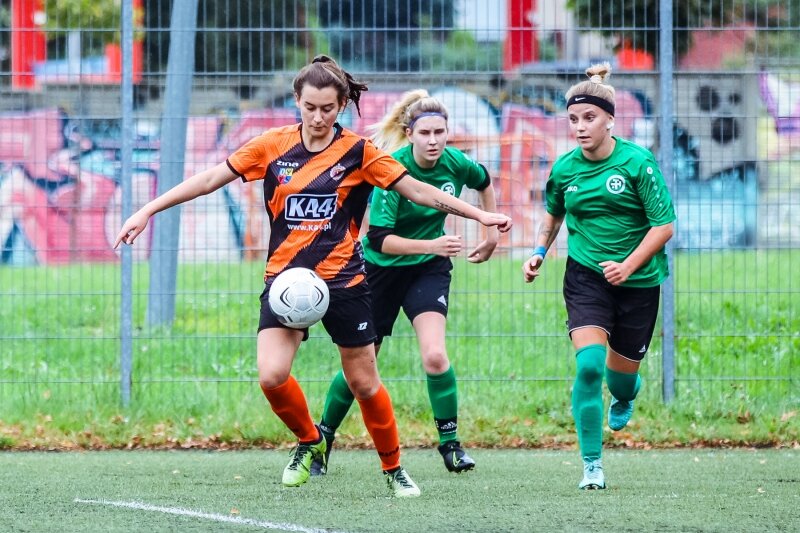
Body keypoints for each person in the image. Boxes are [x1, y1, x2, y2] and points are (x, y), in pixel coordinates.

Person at [115, 55, 512, 498]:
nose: (318, 117)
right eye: (310, 107)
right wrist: (147, 210)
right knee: (271, 376)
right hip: (287, 283)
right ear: (296, 101)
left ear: (341, 105)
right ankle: (310, 440)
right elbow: (210, 179)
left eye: (327, 108)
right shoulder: (271, 145)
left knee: (364, 383)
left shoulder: (359, 152)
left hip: (344, 283)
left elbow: (417, 189)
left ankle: (394, 468)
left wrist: (481, 215)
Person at [311, 90, 498, 476]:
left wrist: (491, 232)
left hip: (428, 270)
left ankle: (451, 445)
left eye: (440, 132)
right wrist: (433, 244)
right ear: (409, 134)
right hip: (380, 272)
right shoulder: (393, 171)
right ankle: (322, 438)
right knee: (362, 367)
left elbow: (484, 180)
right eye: (425, 133)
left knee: (435, 356)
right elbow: (380, 240)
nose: (433, 140)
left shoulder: (455, 163)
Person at [521, 62, 675, 490]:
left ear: (610, 119)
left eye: (589, 118)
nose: (580, 127)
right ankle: (592, 465)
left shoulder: (637, 163)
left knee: (620, 379)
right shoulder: (565, 169)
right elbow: (553, 215)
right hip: (586, 277)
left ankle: (625, 393)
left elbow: (664, 226)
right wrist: (538, 252)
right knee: (589, 366)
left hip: (638, 283)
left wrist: (629, 265)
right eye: (573, 119)